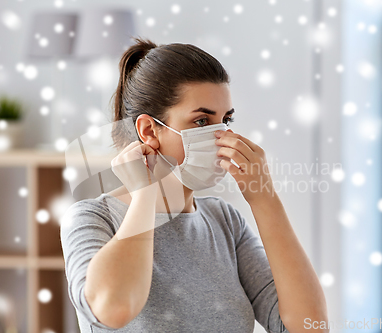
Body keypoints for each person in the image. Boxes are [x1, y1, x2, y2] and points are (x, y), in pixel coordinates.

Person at [60, 36, 328, 333]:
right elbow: (113, 309)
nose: (222, 136)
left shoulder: (224, 221)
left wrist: (265, 200)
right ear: (149, 130)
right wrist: (146, 194)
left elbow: (309, 327)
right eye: (202, 121)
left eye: (226, 120)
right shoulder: (91, 218)